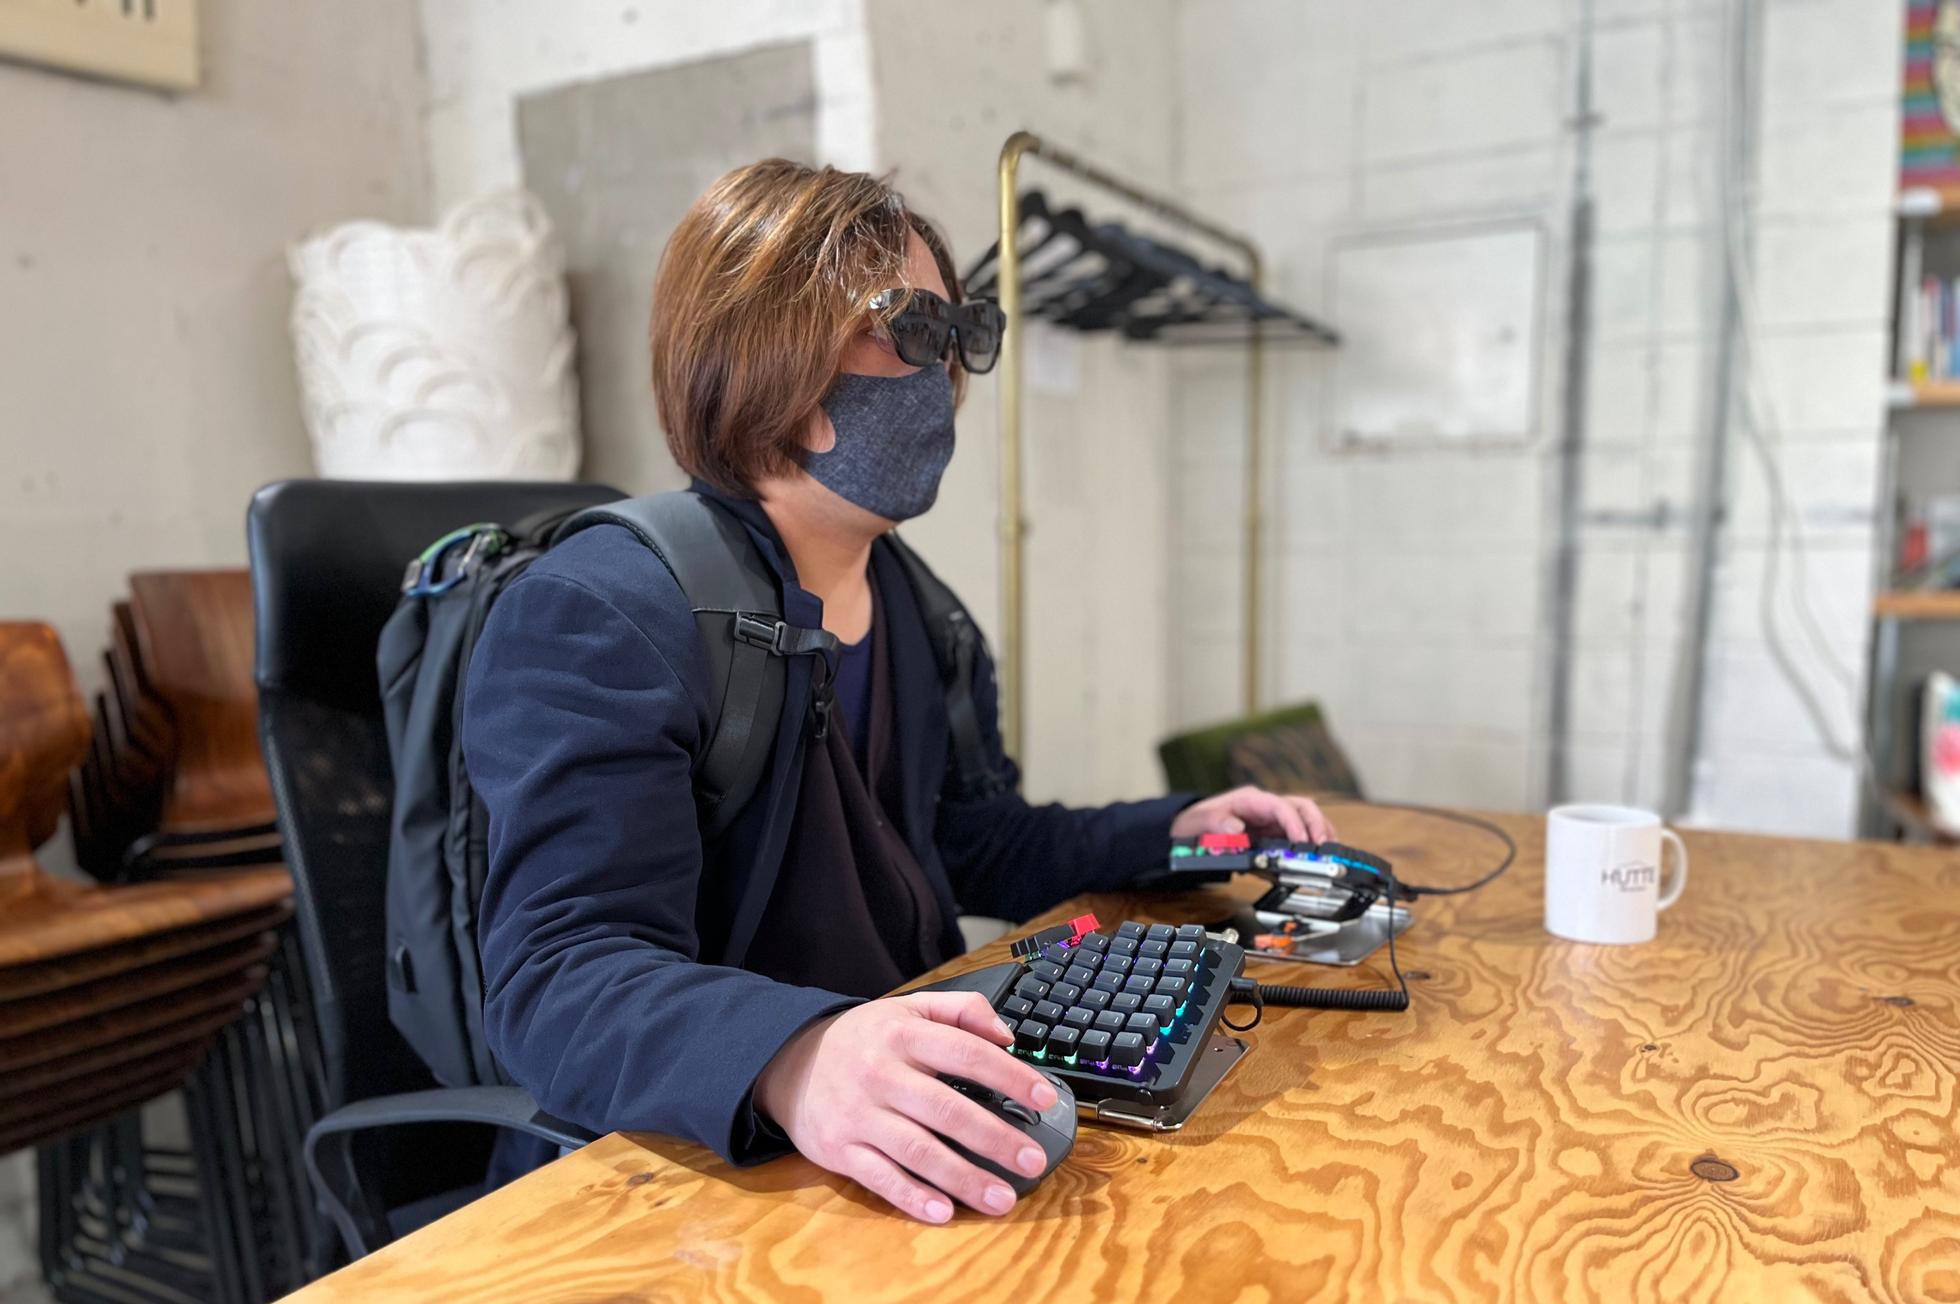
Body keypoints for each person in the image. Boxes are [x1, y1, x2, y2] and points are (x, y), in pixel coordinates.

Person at [462, 159, 1334, 1224]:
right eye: (909, 327)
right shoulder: (603, 609)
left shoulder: (923, 611)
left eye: (962, 332)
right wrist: (794, 1056)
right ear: (760, 346)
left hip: (895, 1133)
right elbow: (557, 979)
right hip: (682, 1173)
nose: (945, 368)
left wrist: (1175, 830)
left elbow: (973, 841)